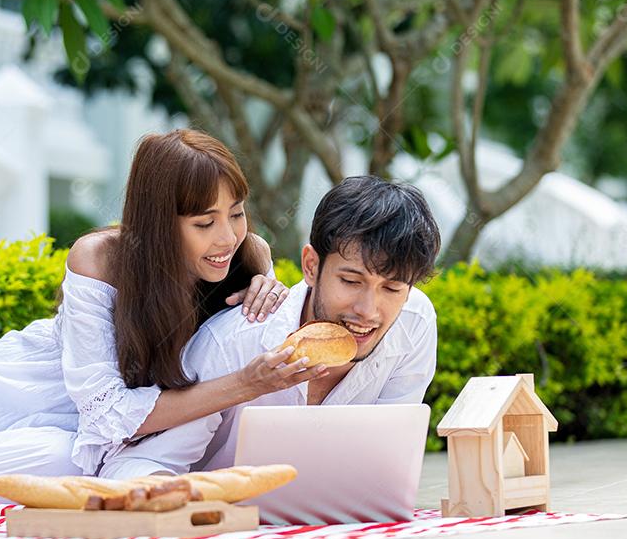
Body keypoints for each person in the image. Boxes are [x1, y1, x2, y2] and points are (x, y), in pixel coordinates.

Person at [0, 129, 327, 500]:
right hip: (19, 395)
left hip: (105, 441)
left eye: (237, 214)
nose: (227, 237)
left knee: (72, 464)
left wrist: (269, 294)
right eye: (204, 223)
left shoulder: (249, 257)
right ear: (158, 222)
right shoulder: (99, 259)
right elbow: (106, 416)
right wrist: (248, 382)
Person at [99, 175, 442, 479]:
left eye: (393, 288)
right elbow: (134, 465)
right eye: (351, 281)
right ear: (311, 266)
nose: (368, 311)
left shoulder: (413, 323)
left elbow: (387, 465)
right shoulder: (233, 342)